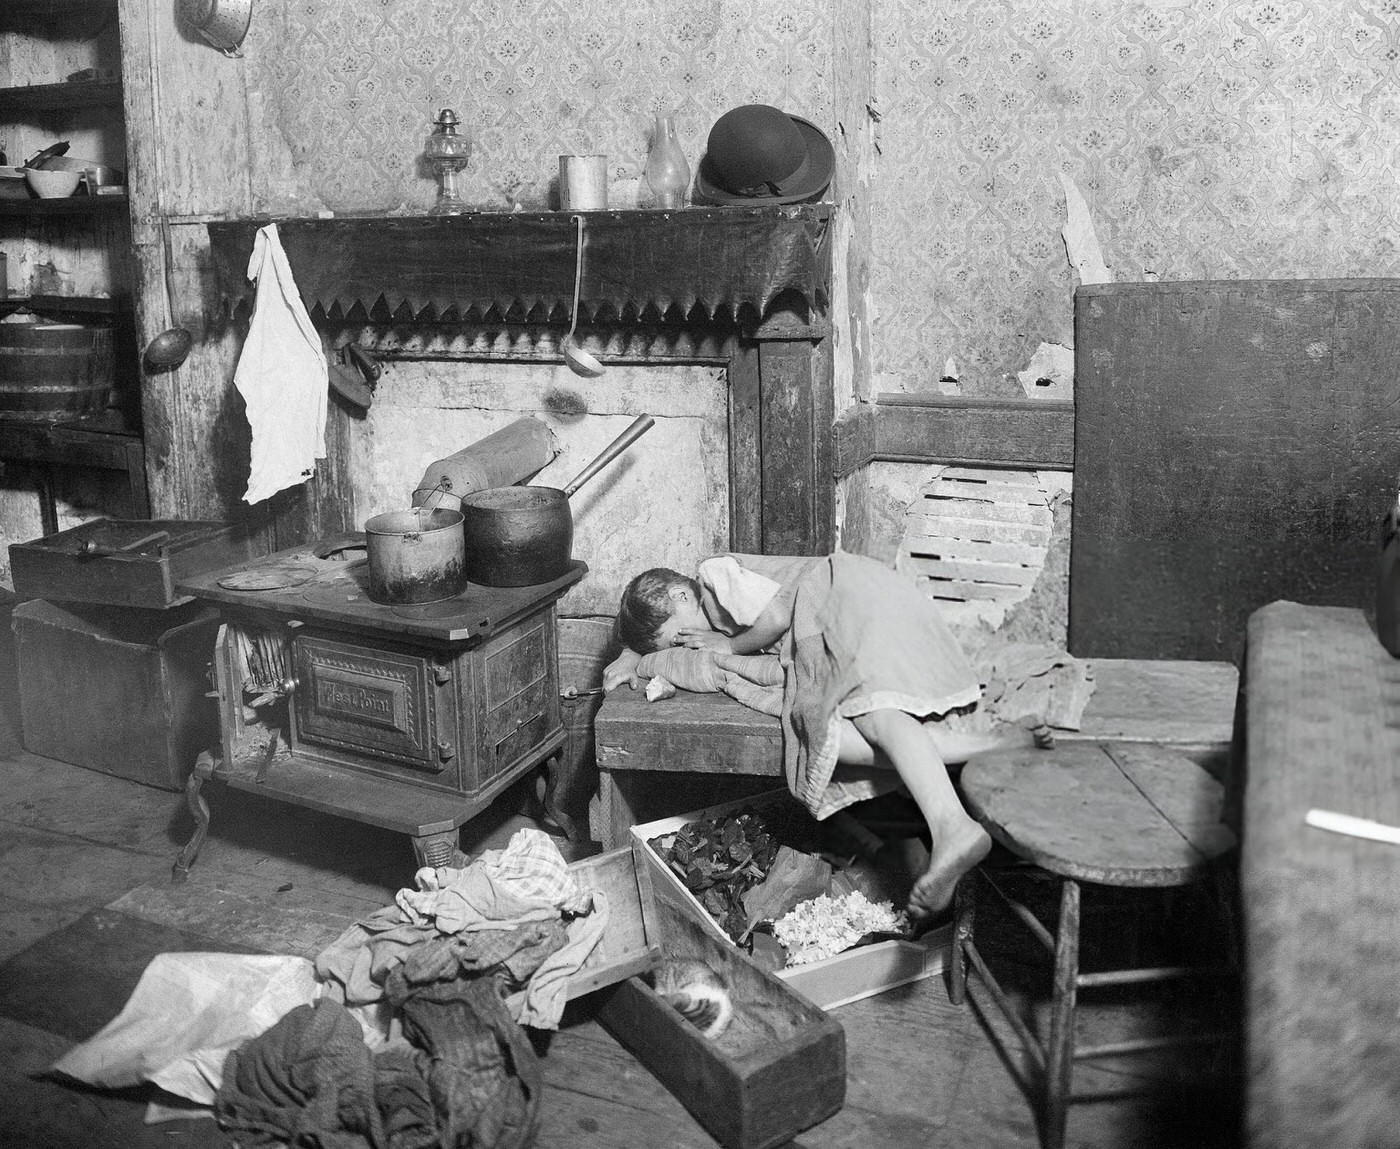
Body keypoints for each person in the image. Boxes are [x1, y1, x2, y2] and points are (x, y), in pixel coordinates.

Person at [603, 553, 1052, 921]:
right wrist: (632, 658)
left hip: (841, 590)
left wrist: (730, 647)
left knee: (870, 707)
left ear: (682, 593)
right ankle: (998, 745)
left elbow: (778, 612)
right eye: (676, 644)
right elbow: (670, 646)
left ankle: (953, 825)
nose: (686, 642)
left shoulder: (714, 574)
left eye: (678, 634)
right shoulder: (705, 616)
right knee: (842, 739)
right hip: (841, 608)